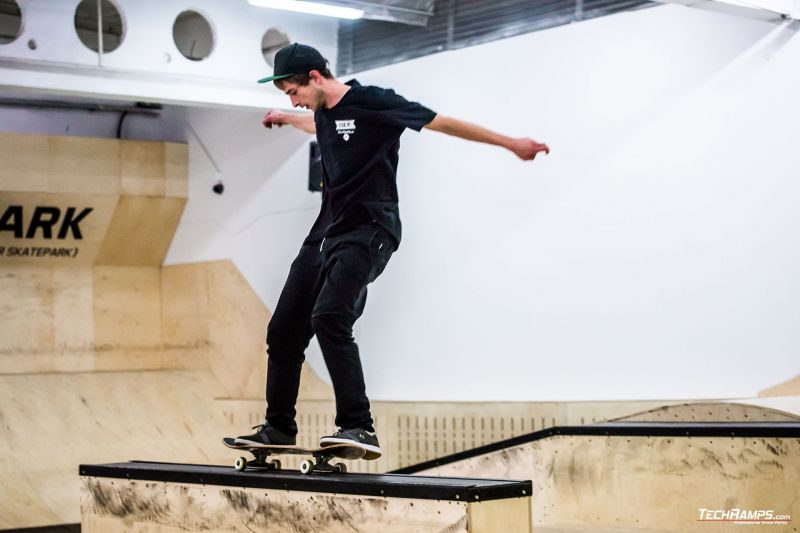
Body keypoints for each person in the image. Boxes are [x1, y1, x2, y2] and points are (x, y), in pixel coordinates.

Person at [235, 43, 549, 459]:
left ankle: (358, 427)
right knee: (284, 330)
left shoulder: (376, 102)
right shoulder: (321, 111)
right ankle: (278, 428)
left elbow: (442, 123)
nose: (292, 99)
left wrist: (511, 143)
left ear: (315, 77)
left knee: (330, 316)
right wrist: (289, 117)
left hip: (369, 229)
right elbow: (321, 125)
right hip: (327, 230)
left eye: (292, 92)